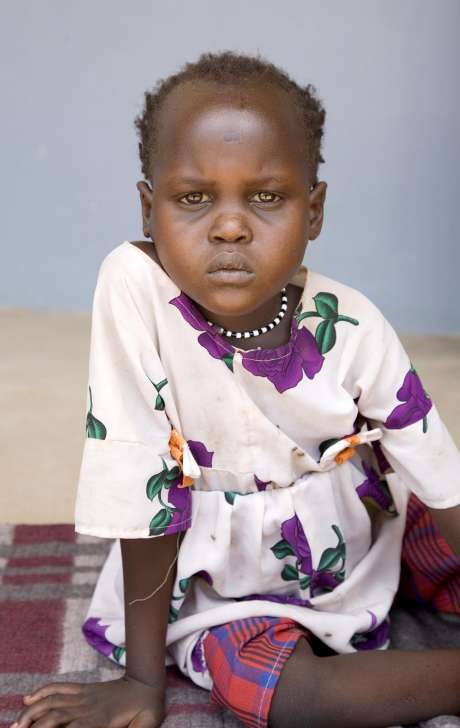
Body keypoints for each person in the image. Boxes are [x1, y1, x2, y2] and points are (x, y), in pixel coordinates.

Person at [13, 50, 460, 728]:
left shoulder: (355, 326)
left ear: (314, 211)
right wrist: (142, 681)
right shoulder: (135, 298)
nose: (228, 226)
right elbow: (142, 482)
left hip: (357, 538)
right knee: (297, 701)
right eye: (193, 199)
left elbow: (440, 478)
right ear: (148, 208)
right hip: (217, 586)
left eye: (267, 197)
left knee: (437, 539)